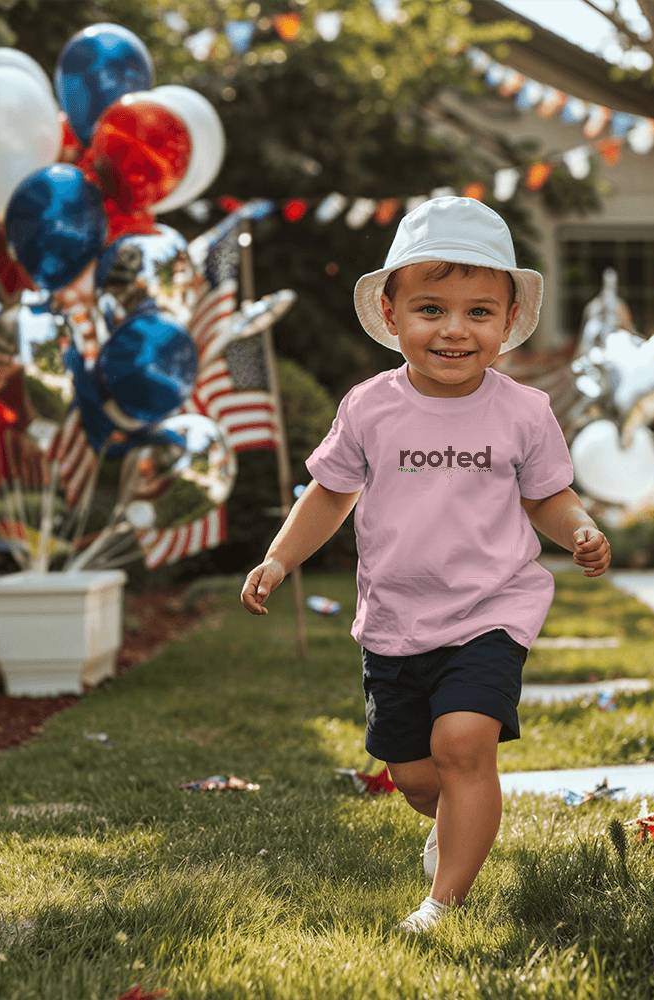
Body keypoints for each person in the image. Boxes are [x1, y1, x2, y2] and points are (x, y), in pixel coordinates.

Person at [240, 196, 611, 933]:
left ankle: (441, 904)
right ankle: (447, 824)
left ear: (508, 322)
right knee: (415, 775)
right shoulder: (370, 408)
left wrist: (581, 530)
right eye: (432, 308)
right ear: (392, 313)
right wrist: (280, 558)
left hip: (491, 610)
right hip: (396, 621)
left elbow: (548, 497)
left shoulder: (524, 411)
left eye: (479, 312)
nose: (453, 329)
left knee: (464, 744)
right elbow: (328, 495)